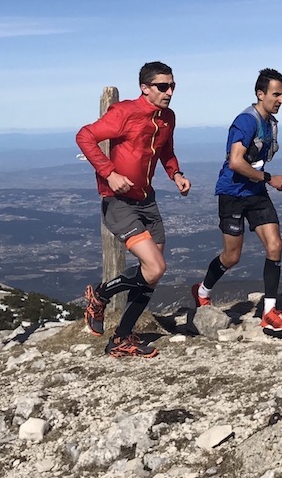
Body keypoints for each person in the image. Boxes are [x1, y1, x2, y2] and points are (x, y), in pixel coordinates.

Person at [76, 61, 191, 358]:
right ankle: (100, 295)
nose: (169, 92)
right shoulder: (125, 113)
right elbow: (85, 136)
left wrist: (176, 174)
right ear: (145, 88)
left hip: (147, 201)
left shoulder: (168, 118)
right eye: (162, 87)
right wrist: (110, 172)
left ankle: (121, 338)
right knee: (156, 267)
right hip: (118, 202)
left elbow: (166, 150)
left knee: (151, 273)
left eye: (172, 86)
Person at [191, 68, 282, 333]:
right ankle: (202, 291)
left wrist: (262, 181)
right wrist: (268, 177)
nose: (281, 100)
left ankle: (269, 312)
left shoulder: (269, 122)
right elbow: (235, 162)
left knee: (275, 245)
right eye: (276, 94)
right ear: (261, 94)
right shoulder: (247, 121)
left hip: (256, 194)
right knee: (232, 256)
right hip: (233, 194)